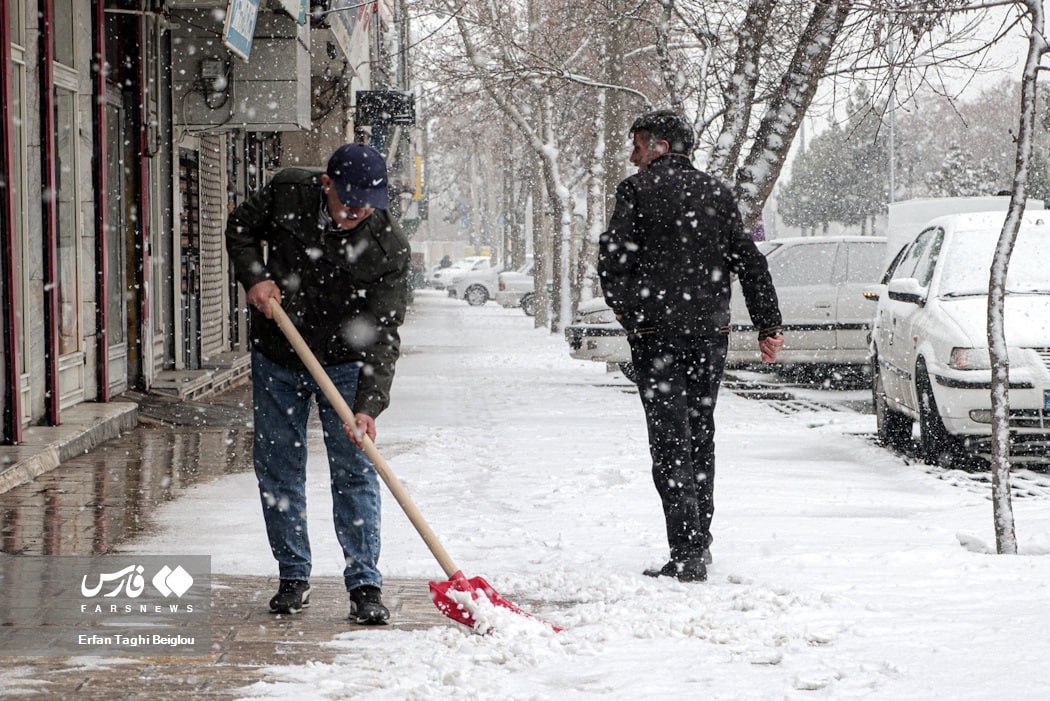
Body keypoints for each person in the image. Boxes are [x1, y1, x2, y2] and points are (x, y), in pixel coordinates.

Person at [225, 143, 410, 624]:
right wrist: (255, 277)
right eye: (349, 201)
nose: (357, 213)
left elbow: (385, 332)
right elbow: (241, 228)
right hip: (279, 354)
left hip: (346, 363)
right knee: (278, 466)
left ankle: (365, 583)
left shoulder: (388, 245)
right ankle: (292, 575)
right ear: (325, 185)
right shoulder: (288, 192)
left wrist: (369, 406)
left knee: (355, 468)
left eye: (367, 204)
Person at [597, 111, 784, 583]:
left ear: (659, 145)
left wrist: (631, 316)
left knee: (669, 440)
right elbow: (750, 260)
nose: (632, 153)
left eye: (637, 144)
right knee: (701, 433)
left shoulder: (636, 191)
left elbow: (612, 260)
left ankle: (687, 551)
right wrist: (769, 324)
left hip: (656, 336)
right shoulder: (717, 194)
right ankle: (700, 540)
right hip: (708, 336)